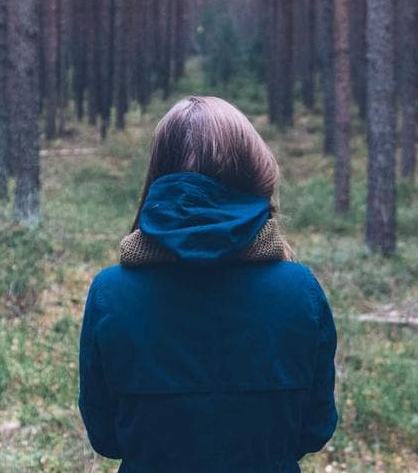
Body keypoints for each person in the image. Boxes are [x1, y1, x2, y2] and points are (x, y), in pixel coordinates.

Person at [78, 96, 338, 472]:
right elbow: (315, 430)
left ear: (158, 174)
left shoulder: (110, 293)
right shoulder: (301, 290)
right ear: (253, 173)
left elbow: (105, 437)